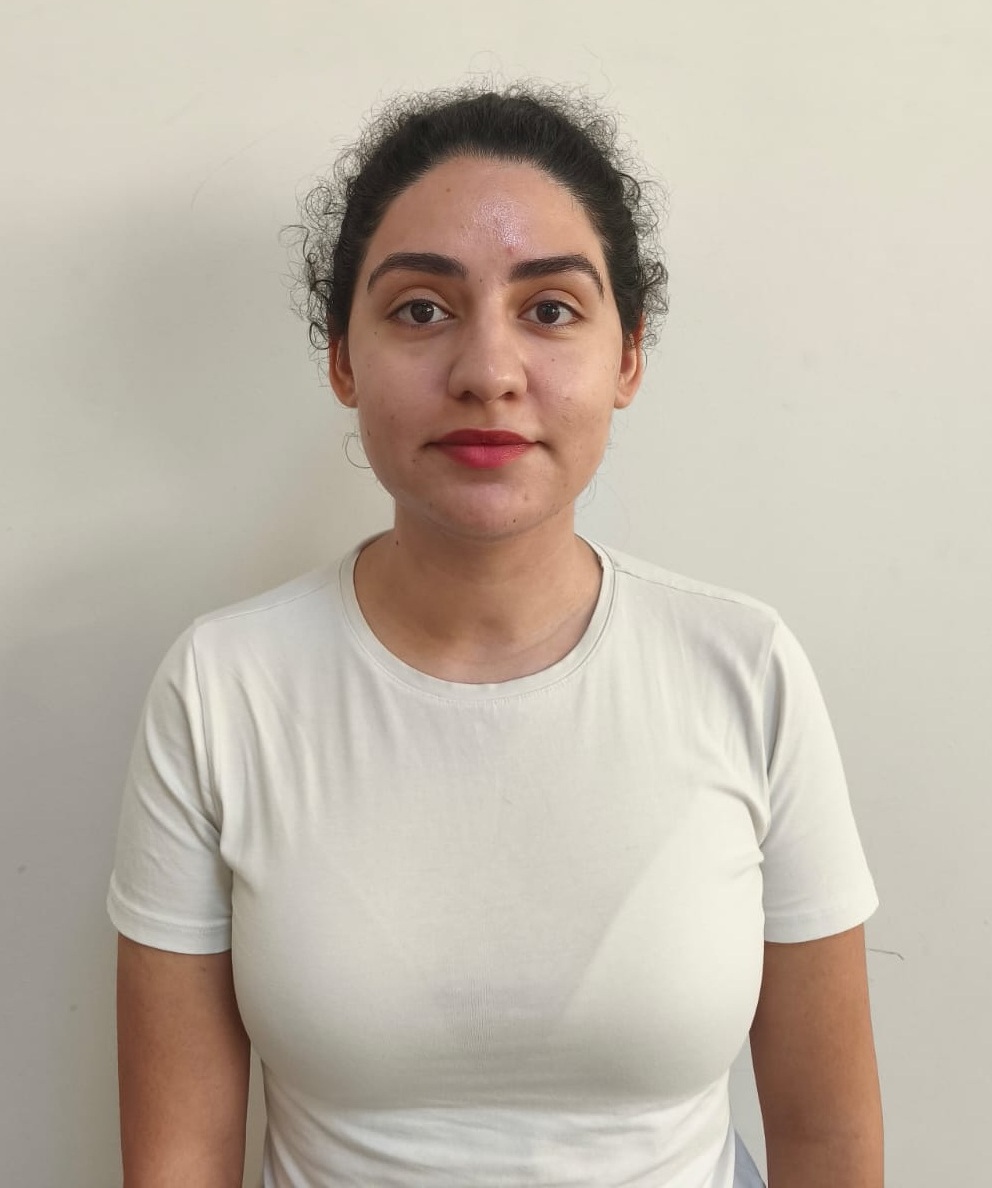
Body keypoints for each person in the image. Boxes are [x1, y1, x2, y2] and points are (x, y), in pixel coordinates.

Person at [108, 85, 883, 1188]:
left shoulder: (743, 669)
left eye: (550, 310)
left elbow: (828, 1142)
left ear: (627, 357)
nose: (486, 371)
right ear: (342, 359)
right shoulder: (223, 688)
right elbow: (180, 1159)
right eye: (421, 309)